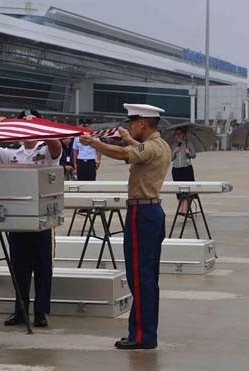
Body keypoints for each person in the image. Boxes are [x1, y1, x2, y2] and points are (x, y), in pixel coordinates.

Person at [78, 103, 170, 350]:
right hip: (149, 212)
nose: (129, 127)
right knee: (146, 276)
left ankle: (143, 336)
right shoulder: (160, 145)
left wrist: (94, 143)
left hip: (143, 213)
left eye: (131, 123)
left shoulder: (150, 147)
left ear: (142, 123)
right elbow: (136, 148)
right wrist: (128, 138)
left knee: (140, 277)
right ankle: (141, 331)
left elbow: (123, 154)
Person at [0, 109, 61, 328]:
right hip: (18, 218)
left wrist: (40, 125)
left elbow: (57, 148)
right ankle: (20, 310)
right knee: (19, 267)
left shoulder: (45, 149)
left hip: (42, 219)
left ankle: (40, 312)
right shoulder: (12, 154)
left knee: (43, 266)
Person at [171, 128, 196, 214]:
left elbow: (194, 155)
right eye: (176, 134)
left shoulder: (188, 144)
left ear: (183, 135)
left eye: (179, 134)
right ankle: (180, 207)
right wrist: (174, 152)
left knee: (186, 189)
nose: (177, 136)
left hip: (186, 168)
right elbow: (170, 158)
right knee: (178, 189)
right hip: (176, 169)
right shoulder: (174, 145)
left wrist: (188, 153)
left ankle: (185, 208)